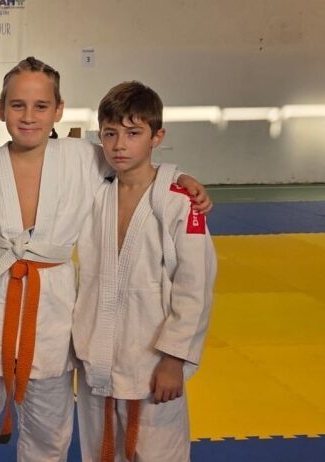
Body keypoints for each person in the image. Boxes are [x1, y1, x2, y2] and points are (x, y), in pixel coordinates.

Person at [0, 57, 212, 461]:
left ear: (59, 110)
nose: (29, 116)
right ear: (1, 109)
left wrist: (180, 178)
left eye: (41, 106)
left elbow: (140, 165)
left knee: (48, 436)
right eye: (17, 105)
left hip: (50, 320)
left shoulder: (83, 157)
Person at [73, 81, 217, 462]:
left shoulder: (178, 202)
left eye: (134, 133)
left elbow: (195, 286)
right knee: (98, 452)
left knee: (158, 454)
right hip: (98, 358)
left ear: (157, 137)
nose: (120, 145)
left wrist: (175, 358)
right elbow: (51, 158)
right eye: (110, 134)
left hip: (153, 364)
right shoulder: (95, 193)